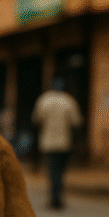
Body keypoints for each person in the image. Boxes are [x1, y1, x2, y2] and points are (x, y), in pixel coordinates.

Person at [32, 77, 83, 209]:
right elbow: (77, 122)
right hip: (63, 142)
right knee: (60, 171)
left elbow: (36, 120)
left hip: (48, 142)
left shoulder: (44, 99)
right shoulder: (69, 100)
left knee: (51, 170)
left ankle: (53, 197)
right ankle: (58, 197)